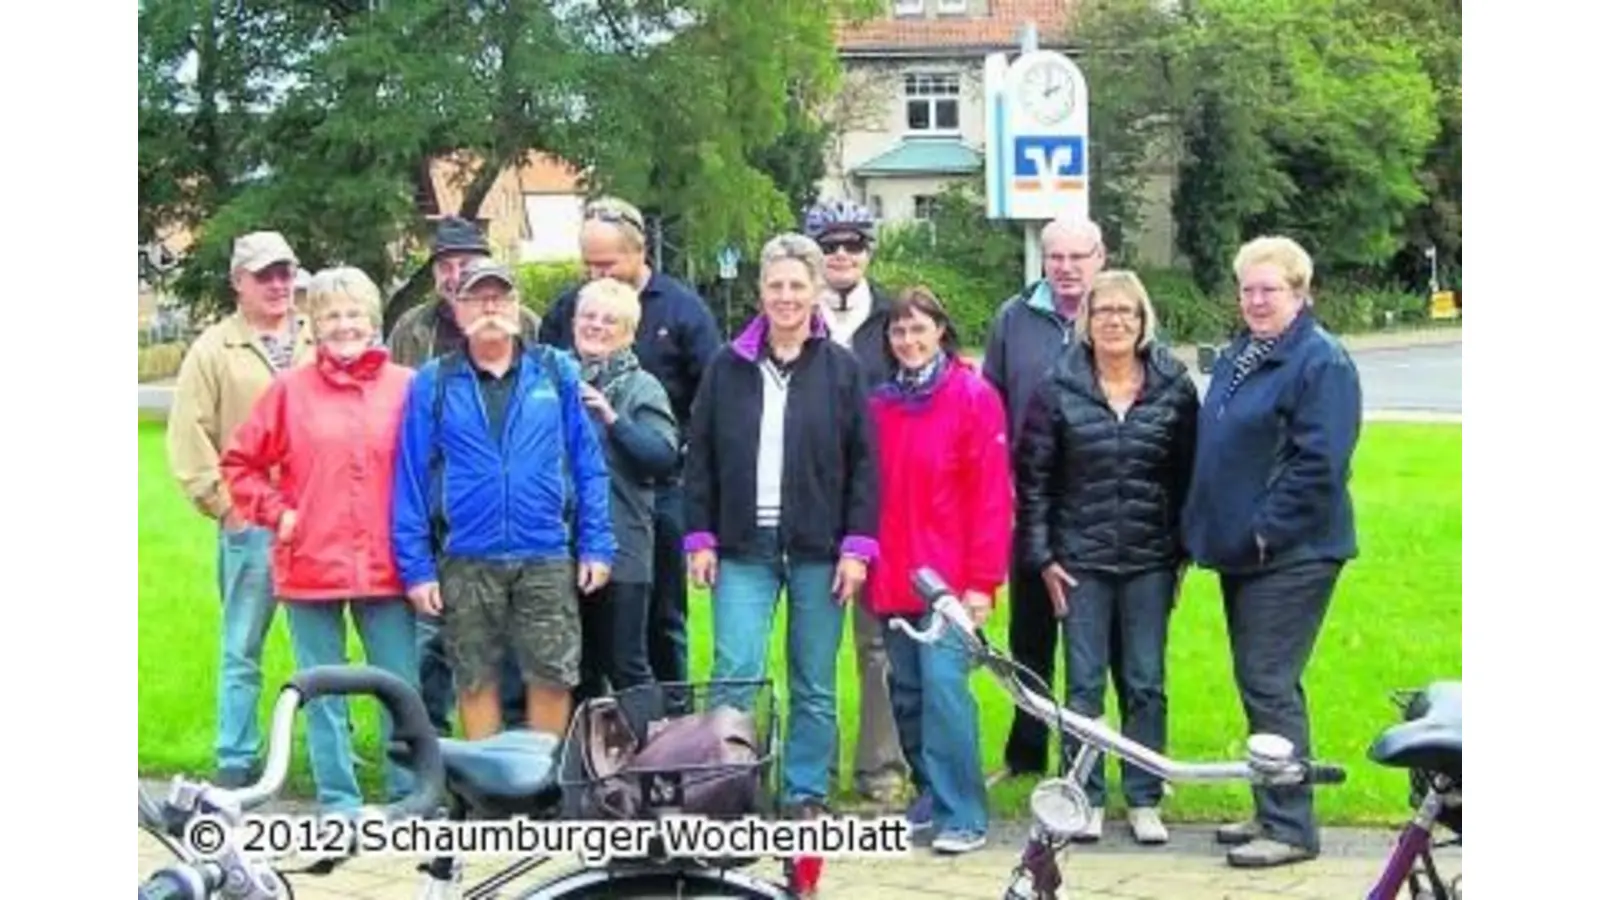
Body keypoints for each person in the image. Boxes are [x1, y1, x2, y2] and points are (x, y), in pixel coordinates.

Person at [682, 233, 879, 816]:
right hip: (743, 546)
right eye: (776, 286)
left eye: (798, 285)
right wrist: (700, 538)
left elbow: (865, 462)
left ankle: (804, 791)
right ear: (760, 291)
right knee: (736, 671)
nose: (787, 297)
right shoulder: (727, 365)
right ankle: (729, 787)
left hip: (821, 549)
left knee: (814, 681)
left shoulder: (842, 369)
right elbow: (702, 457)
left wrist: (857, 547)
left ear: (816, 290)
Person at [1182, 236, 1362, 868]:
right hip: (1244, 551)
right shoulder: (1242, 354)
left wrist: (1264, 532)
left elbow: (1321, 465)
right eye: (1248, 289)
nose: (1256, 300)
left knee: (1268, 680)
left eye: (1270, 290)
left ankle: (1290, 828)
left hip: (1292, 552)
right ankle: (1272, 805)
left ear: (1300, 292)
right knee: (1260, 681)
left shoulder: (1320, 362)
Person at [219, 266, 419, 814]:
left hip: (388, 563)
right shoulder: (289, 391)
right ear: (314, 325)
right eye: (331, 315)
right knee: (322, 691)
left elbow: (431, 466)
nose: (344, 325)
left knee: (398, 682)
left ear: (374, 321)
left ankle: (408, 795)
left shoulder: (408, 387)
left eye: (354, 313)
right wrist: (276, 512)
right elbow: (240, 462)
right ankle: (339, 801)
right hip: (310, 563)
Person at [391, 257, 616, 739]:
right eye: (478, 297)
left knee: (552, 675)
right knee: (475, 678)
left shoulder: (555, 372)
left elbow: (587, 464)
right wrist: (416, 568)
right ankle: (486, 794)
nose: (490, 307)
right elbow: (410, 476)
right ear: (459, 308)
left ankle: (542, 792)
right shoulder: (433, 381)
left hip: (547, 552)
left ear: (517, 306)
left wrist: (596, 543)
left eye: (501, 297)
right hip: (466, 554)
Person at [1014, 270, 1199, 845]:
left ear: (1144, 321)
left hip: (1148, 560)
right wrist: (1043, 556)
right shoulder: (1057, 386)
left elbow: (1189, 476)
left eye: (1127, 312)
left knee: (1145, 681)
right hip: (1080, 563)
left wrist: (1180, 555)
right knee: (1084, 686)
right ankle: (1085, 796)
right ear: (1085, 323)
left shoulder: (1174, 386)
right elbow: (1034, 480)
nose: (1115, 321)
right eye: (1103, 312)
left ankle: (1144, 796)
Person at [539, 197, 721, 689]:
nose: (598, 273)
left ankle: (669, 731)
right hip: (581, 493)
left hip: (660, 485)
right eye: (589, 263)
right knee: (587, 636)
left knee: (660, 619)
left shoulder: (684, 310)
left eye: (608, 263)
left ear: (639, 253)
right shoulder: (568, 307)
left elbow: (713, 394)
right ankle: (595, 743)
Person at [866, 286, 1012, 854]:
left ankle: (965, 814)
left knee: (946, 692)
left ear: (940, 332)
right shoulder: (880, 404)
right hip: (893, 575)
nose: (908, 340)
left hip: (950, 583)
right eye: (898, 331)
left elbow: (992, 497)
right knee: (907, 694)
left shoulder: (974, 397)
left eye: (918, 328)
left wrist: (982, 584)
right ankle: (930, 793)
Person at [166, 230, 315, 787]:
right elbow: (188, 438)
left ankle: (331, 757)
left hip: (314, 522)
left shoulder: (316, 336)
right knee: (243, 644)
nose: (279, 285)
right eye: (265, 275)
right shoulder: (213, 349)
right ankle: (235, 759)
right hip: (251, 522)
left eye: (285, 273)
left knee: (317, 647)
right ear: (238, 283)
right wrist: (226, 507)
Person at [387, 216, 540, 735]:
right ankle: (430, 758)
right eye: (446, 266)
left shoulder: (528, 324)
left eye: (466, 264)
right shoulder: (412, 330)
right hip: (437, 513)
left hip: (509, 517)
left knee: (511, 646)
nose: (455, 276)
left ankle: (510, 765)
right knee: (431, 643)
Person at [982, 217, 1106, 779]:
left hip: (1101, 507)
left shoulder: (1117, 312)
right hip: (1028, 504)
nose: (1068, 267)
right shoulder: (1015, 318)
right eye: (1057, 257)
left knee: (1101, 646)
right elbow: (990, 404)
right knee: (1029, 638)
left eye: (1079, 256)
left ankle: (1112, 766)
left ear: (1100, 257)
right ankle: (1025, 754)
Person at [801, 198, 909, 805]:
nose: (841, 255)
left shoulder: (895, 320)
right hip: (809, 504)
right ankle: (810, 774)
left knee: (876, 644)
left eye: (853, 245)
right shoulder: (790, 316)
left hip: (878, 503)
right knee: (812, 647)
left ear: (869, 251)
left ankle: (880, 766)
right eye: (830, 245)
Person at [569, 277, 680, 699]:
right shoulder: (554, 379)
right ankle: (587, 761)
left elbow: (661, 457)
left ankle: (652, 760)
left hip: (624, 545)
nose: (596, 326)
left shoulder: (641, 387)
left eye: (609, 320)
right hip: (561, 547)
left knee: (626, 663)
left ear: (629, 333)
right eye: (589, 316)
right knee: (577, 667)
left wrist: (614, 419)